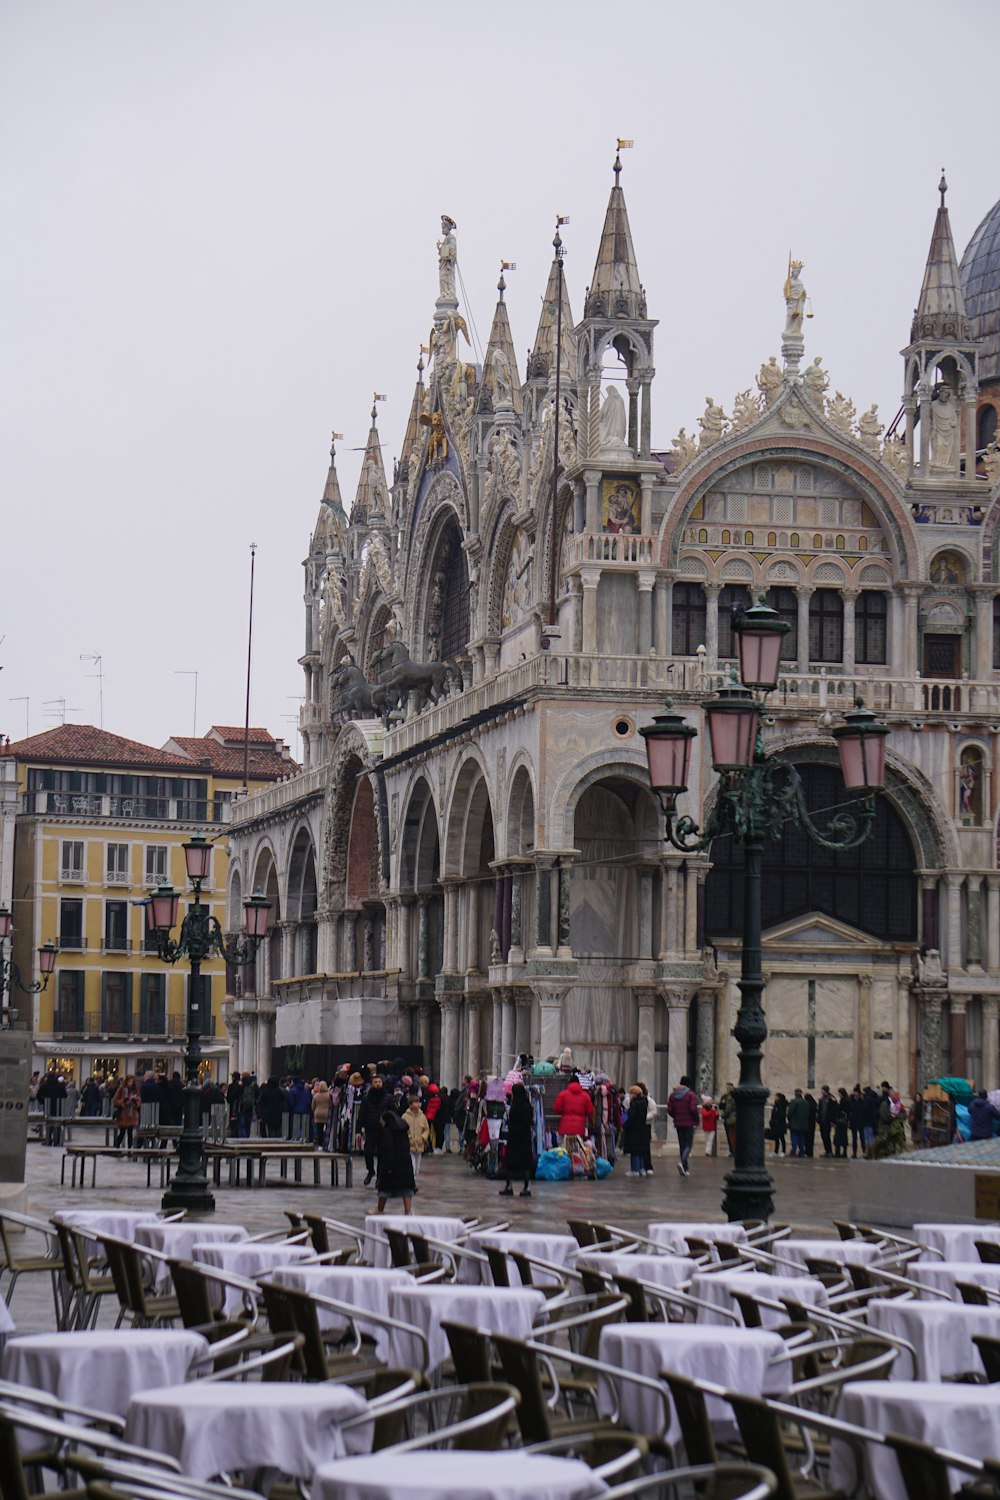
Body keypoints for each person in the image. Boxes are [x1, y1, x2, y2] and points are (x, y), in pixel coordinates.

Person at [376, 1095, 416, 1215]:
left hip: (392, 1165)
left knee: (384, 1190)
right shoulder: (402, 1130)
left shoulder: (388, 1132)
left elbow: (388, 1151)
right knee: (406, 1190)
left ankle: (379, 1210)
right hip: (404, 1165)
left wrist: (386, 1168)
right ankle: (408, 1211)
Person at [499, 1082, 534, 1196]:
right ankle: (520, 1187)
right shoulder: (527, 1106)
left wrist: (513, 1128)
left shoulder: (518, 1106)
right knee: (522, 1164)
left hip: (516, 1137)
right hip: (522, 1138)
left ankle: (515, 1187)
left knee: (514, 1163)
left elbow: (525, 1122)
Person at [666, 1075, 701, 1178]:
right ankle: (682, 1162)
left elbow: (669, 1110)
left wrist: (676, 1116)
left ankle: (685, 1168)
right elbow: (693, 1109)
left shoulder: (673, 1095)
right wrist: (696, 1119)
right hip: (689, 1123)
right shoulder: (691, 1095)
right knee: (688, 1144)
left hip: (678, 1123)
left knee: (682, 1144)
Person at [360, 1075, 388, 1185]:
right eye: (375, 1082)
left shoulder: (387, 1097)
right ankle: (371, 1171)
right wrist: (358, 1130)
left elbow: (393, 1113)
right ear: (372, 1084)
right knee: (368, 1153)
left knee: (382, 1155)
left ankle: (379, 1177)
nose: (377, 1084)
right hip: (370, 1130)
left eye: (379, 1082)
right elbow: (361, 1114)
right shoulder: (367, 1098)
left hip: (383, 1131)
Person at [553, 1073, 594, 1139]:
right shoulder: (585, 1096)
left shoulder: (562, 1094)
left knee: (564, 1148)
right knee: (578, 1147)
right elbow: (590, 1111)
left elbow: (556, 1108)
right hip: (579, 1128)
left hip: (565, 1128)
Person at [622, 1085, 649, 1178]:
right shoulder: (644, 1102)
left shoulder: (634, 1103)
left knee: (634, 1151)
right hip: (642, 1128)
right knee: (640, 1150)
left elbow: (631, 1117)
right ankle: (641, 1169)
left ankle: (635, 1170)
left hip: (634, 1129)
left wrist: (625, 1125)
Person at [405, 1094, 430, 1183]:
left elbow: (426, 1129)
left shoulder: (422, 1116)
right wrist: (408, 1137)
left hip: (420, 1144)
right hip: (409, 1144)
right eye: (416, 1102)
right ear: (410, 1104)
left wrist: (423, 1138)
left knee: (417, 1166)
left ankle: (415, 1176)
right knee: (412, 1164)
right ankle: (412, 1180)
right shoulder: (405, 1116)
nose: (418, 1104)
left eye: (419, 1102)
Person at [112, 1074, 140, 1150]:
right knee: (122, 1132)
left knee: (130, 1133)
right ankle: (116, 1147)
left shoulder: (135, 1090)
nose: (130, 1083)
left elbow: (139, 1100)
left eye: (132, 1082)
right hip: (123, 1113)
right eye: (129, 1081)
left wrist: (135, 1102)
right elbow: (115, 1100)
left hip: (131, 1113)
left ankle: (129, 1149)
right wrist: (123, 1101)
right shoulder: (122, 1089)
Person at [638, 1080, 657, 1176]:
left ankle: (648, 1166)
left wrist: (644, 1118)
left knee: (646, 1146)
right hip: (640, 1125)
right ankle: (641, 1166)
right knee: (639, 1147)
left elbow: (653, 1112)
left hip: (646, 1125)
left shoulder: (649, 1100)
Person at [787, 1088, 809, 1157]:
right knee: (801, 1138)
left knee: (794, 1137)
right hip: (803, 1123)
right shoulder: (806, 1102)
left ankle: (793, 1151)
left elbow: (790, 1112)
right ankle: (801, 1151)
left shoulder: (794, 1102)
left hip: (795, 1123)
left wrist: (789, 1119)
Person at [311, 1079, 331, 1146]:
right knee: (327, 1129)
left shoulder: (316, 1096)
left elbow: (313, 1106)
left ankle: (320, 1144)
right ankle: (326, 1143)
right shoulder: (329, 1095)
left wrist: (314, 1111)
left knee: (319, 1129)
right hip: (327, 1113)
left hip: (318, 1113)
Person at [817, 1086, 835, 1157]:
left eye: (822, 1091)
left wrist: (832, 1120)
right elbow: (819, 1110)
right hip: (822, 1120)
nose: (821, 1092)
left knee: (827, 1135)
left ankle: (829, 1151)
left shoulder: (831, 1098)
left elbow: (833, 1110)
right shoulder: (821, 1099)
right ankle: (827, 1150)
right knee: (823, 1136)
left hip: (827, 1120)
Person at [437, 1087, 455, 1152]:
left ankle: (440, 1146)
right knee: (447, 1133)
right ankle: (448, 1147)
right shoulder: (449, 1099)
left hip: (440, 1118)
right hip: (447, 1118)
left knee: (440, 1133)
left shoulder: (440, 1098)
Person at [720, 1084, 737, 1156]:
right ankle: (732, 1150)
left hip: (730, 1119)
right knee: (731, 1135)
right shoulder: (726, 1096)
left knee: (732, 1136)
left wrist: (722, 1116)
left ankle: (733, 1151)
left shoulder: (730, 1098)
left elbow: (728, 1109)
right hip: (732, 1119)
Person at [833, 1089, 850, 1157]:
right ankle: (844, 1152)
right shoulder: (847, 1100)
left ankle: (838, 1152)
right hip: (845, 1122)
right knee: (844, 1137)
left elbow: (839, 1109)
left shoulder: (843, 1100)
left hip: (840, 1121)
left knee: (838, 1137)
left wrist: (835, 1103)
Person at [849, 1085, 864, 1158]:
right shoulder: (851, 1100)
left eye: (856, 1092)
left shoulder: (861, 1101)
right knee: (854, 1138)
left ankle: (864, 1151)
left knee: (862, 1138)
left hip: (860, 1121)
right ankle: (854, 1152)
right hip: (854, 1122)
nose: (855, 1094)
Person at [803, 1092, 818, 1158]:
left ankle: (807, 1151)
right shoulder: (814, 1104)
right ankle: (810, 1152)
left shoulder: (807, 1104)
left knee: (807, 1138)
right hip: (812, 1123)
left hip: (807, 1123)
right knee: (811, 1138)